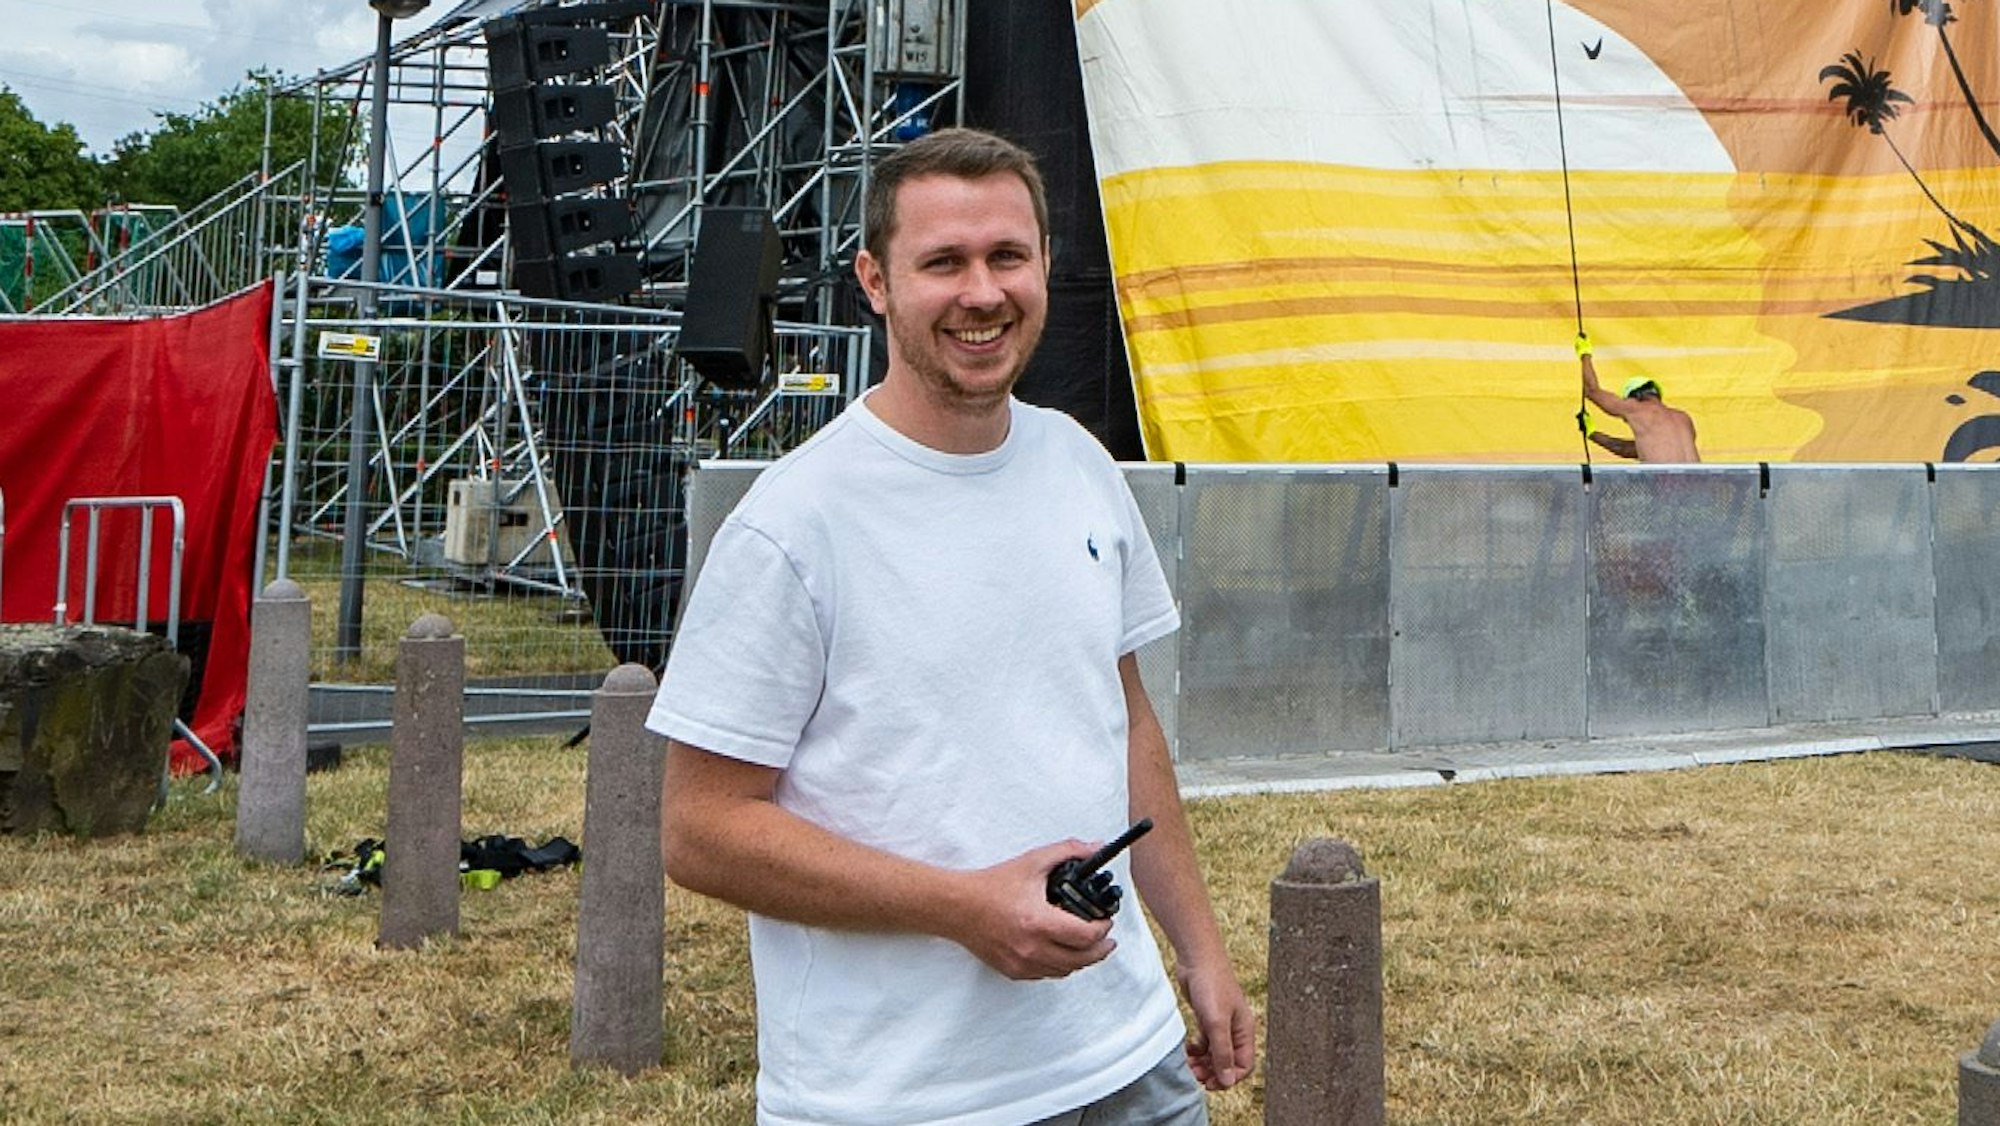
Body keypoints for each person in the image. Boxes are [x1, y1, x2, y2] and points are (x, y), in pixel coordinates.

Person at [647, 127, 1256, 1126]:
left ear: (1044, 267)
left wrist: (1197, 949)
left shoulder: (1079, 465)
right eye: (943, 262)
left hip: (1127, 1061)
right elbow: (700, 830)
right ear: (874, 281)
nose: (982, 293)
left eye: (1006, 256)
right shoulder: (793, 524)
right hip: (899, 1096)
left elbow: (1126, 728)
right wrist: (962, 907)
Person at [1576, 332, 1701, 462]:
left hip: (1665, 480)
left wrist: (1585, 353)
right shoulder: (1684, 419)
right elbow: (1623, 449)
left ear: (1634, 397)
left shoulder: (1635, 408)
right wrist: (1592, 433)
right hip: (1703, 481)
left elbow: (1591, 390)